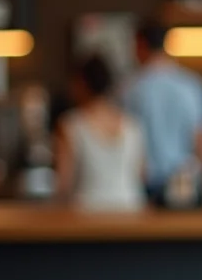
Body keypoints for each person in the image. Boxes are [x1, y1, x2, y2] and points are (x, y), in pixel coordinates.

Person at [122, 19, 202, 207]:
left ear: (140, 45)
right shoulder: (192, 85)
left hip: (144, 182)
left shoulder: (129, 89)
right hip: (185, 181)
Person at [54, 54, 146, 211]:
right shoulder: (132, 125)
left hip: (86, 212)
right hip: (130, 209)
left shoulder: (71, 124)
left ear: (81, 83)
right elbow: (141, 174)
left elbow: (64, 183)